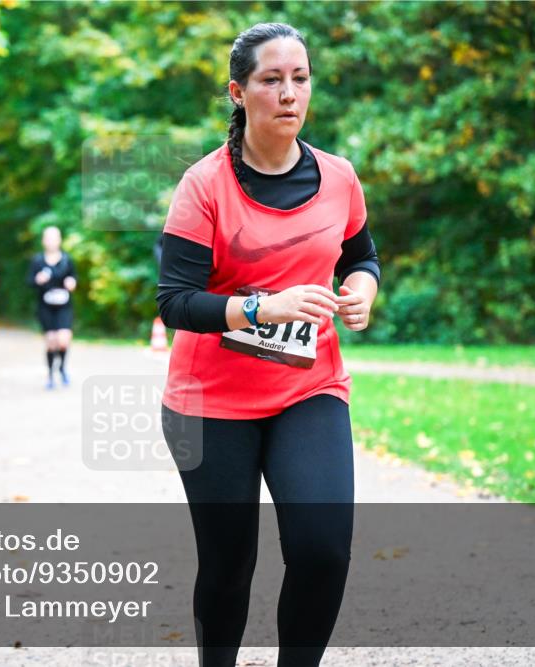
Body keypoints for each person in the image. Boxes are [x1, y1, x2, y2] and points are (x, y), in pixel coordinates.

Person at [155, 23, 381, 667]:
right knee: (229, 566)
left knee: (322, 548)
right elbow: (175, 301)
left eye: (300, 78)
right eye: (271, 80)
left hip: (308, 389)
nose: (289, 93)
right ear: (238, 92)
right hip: (209, 403)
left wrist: (362, 287)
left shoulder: (339, 178)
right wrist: (261, 306)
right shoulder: (204, 187)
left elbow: (362, 256)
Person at [28, 226, 78, 389]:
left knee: (63, 340)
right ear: (43, 241)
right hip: (45, 306)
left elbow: (74, 278)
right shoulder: (37, 260)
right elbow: (29, 282)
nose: (51, 241)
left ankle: (62, 368)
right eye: (48, 238)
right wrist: (37, 280)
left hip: (64, 305)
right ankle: (50, 374)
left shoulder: (66, 259)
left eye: (54, 238)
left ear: (59, 240)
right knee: (51, 342)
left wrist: (72, 282)